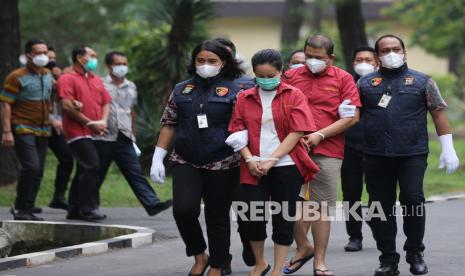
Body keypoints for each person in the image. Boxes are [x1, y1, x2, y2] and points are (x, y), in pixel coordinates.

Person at [359, 34, 460, 276]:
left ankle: (415, 252)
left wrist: (448, 148)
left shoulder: (422, 81)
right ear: (378, 56)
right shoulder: (364, 84)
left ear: (404, 52)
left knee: (413, 200)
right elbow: (352, 115)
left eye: (395, 49)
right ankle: (388, 260)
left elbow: (438, 113)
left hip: (412, 152)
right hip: (376, 154)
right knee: (380, 207)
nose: (391, 53)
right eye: (385, 50)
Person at [150, 40, 243, 276]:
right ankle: (199, 255)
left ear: (224, 62)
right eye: (200, 60)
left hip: (223, 161)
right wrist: (157, 157)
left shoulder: (236, 89)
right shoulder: (182, 89)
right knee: (183, 210)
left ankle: (218, 264)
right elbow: (169, 123)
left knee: (217, 215)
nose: (205, 65)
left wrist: (242, 138)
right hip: (186, 158)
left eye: (212, 61)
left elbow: (245, 123)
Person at [228, 48, 319, 276]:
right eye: (261, 76)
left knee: (283, 218)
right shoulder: (244, 97)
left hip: (286, 165)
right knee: (252, 217)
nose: (266, 80)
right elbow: (237, 132)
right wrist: (249, 160)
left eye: (271, 75)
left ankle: (278, 269)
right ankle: (260, 262)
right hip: (253, 165)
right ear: (254, 74)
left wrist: (271, 160)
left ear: (281, 71)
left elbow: (297, 132)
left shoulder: (294, 95)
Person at [282, 34, 361, 276]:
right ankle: (303, 246)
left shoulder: (343, 79)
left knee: (319, 208)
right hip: (291, 150)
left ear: (331, 58)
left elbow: (351, 117)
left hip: (327, 150)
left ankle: (319, 261)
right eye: (308, 57)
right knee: (285, 204)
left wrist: (320, 135)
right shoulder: (291, 76)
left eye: (318, 58)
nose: (312, 61)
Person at [95, 50, 172, 216]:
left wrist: (133, 135)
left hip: (125, 136)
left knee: (135, 172)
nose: (122, 67)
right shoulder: (99, 84)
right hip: (104, 136)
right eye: (118, 64)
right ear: (109, 66)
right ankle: (87, 207)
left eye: (124, 64)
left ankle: (152, 204)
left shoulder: (131, 86)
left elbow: (131, 112)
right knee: (97, 173)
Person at [214, 36, 256, 269]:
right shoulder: (196, 85)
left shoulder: (247, 84)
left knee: (246, 209)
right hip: (213, 159)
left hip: (243, 158)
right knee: (218, 212)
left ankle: (250, 243)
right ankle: (221, 260)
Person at [1, 39, 54, 221]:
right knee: (31, 166)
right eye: (38, 52)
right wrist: (7, 131)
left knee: (38, 171)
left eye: (45, 52)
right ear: (29, 55)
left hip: (43, 129)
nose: (42, 56)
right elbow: (6, 104)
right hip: (23, 127)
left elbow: (51, 98)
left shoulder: (47, 75)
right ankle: (21, 207)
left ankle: (28, 206)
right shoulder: (16, 76)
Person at [57, 45, 111, 222]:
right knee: (92, 165)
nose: (96, 58)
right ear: (80, 58)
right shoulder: (67, 78)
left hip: (95, 130)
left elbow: (106, 102)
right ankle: (89, 208)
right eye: (92, 55)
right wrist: (90, 123)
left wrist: (101, 121)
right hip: (77, 132)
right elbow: (66, 106)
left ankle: (74, 208)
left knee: (84, 167)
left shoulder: (95, 79)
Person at [341, 46, 379, 252]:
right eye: (359, 59)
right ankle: (354, 236)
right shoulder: (344, 83)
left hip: (377, 147)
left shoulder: (385, 83)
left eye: (368, 59)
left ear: (377, 63)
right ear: (353, 63)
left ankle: (375, 218)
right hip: (349, 145)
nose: (363, 63)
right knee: (351, 193)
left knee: (377, 191)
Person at [46, 46, 75, 210]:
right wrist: (52, 120)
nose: (51, 60)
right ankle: (24, 204)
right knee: (34, 167)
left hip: (55, 128)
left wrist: (62, 77)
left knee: (67, 158)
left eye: (53, 57)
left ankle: (58, 197)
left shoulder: (56, 78)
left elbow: (59, 101)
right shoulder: (35, 77)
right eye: (47, 57)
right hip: (38, 126)